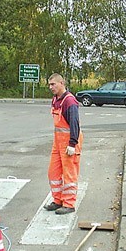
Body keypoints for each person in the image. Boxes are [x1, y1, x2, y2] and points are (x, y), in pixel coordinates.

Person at [44, 73, 83, 215]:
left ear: (61, 83)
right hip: (58, 142)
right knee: (53, 172)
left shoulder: (69, 101)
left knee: (69, 174)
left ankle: (69, 204)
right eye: (49, 84)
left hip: (69, 142)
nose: (50, 87)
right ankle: (58, 200)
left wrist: (72, 144)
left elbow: (75, 124)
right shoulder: (56, 99)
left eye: (53, 84)